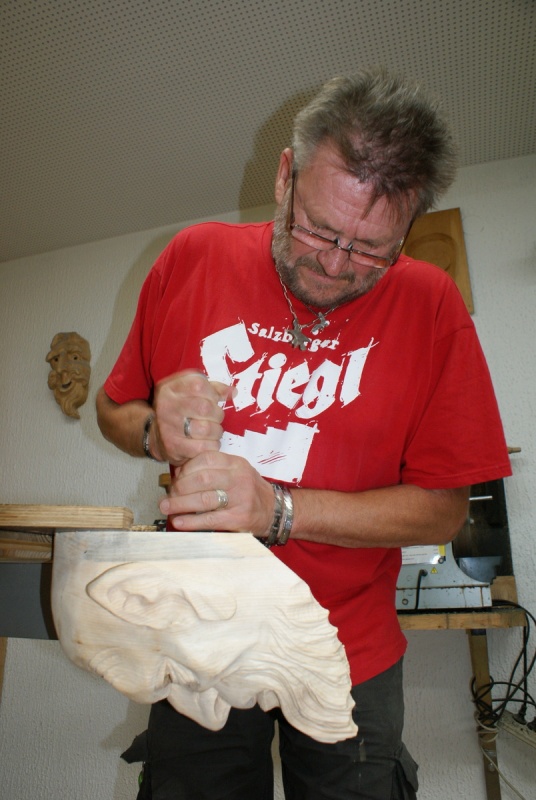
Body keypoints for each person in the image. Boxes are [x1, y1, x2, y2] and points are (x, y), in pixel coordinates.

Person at [96, 68, 511, 800]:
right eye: (319, 228)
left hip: (350, 649)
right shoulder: (193, 257)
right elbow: (113, 411)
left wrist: (278, 510)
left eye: (372, 249)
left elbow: (444, 509)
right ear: (286, 176)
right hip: (200, 635)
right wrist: (156, 431)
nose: (334, 264)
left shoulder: (430, 304)